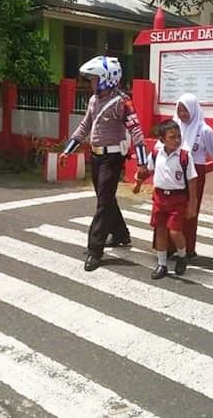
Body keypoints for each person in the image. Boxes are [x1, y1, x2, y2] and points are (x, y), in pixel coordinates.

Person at [59, 56, 148, 272]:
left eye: (94, 79)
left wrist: (142, 163)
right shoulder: (93, 100)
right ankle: (120, 234)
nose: (90, 83)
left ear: (107, 78)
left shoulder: (122, 102)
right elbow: (84, 126)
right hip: (97, 157)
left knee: (103, 202)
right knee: (104, 198)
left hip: (113, 158)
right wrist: (67, 151)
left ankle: (94, 250)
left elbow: (136, 131)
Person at [132, 120, 198, 279]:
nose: (176, 140)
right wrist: (138, 182)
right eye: (172, 137)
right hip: (160, 198)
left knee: (175, 232)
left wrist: (192, 204)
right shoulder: (156, 154)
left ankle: (182, 256)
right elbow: (147, 171)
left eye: (178, 136)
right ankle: (162, 264)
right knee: (160, 231)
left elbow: (192, 180)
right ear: (162, 140)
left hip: (177, 199)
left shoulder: (184, 156)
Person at [172, 93, 213, 258]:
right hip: (174, 174)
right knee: (172, 210)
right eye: (179, 110)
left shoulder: (205, 131)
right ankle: (170, 247)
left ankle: (187, 249)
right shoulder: (174, 126)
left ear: (194, 110)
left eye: (186, 110)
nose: (182, 114)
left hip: (195, 175)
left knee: (189, 211)